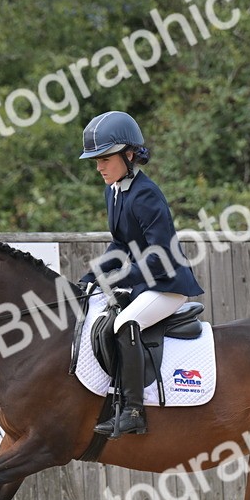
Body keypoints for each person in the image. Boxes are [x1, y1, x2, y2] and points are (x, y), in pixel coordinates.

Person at [77, 111, 204, 438]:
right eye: (96, 160)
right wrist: (93, 275)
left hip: (167, 284)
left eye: (105, 159)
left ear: (129, 155)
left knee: (125, 323)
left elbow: (160, 257)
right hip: (144, 283)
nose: (99, 167)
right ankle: (115, 402)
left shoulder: (145, 193)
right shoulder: (114, 191)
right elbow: (121, 244)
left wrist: (120, 277)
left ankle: (134, 411)